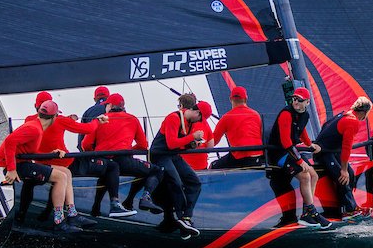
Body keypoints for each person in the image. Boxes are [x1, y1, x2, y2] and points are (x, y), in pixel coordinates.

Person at [0, 100, 86, 232]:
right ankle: (59, 222)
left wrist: (52, 154)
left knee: (65, 173)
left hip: (22, 163)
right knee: (60, 177)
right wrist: (11, 169)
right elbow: (9, 141)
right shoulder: (34, 129)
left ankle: (71, 215)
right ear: (54, 117)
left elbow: (29, 152)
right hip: (18, 166)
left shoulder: (36, 126)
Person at [88, 94, 176, 225]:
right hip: (124, 161)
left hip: (102, 162)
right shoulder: (132, 119)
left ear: (110, 106)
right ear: (123, 106)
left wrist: (97, 152)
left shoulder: (99, 120)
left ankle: (96, 208)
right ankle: (143, 198)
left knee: (107, 173)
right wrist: (127, 149)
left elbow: (86, 144)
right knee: (156, 170)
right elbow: (143, 145)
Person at [265, 87, 330, 229]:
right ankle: (312, 212)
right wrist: (300, 161)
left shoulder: (305, 115)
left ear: (307, 102)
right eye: (294, 99)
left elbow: (302, 131)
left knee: (314, 175)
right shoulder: (286, 114)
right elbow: (285, 142)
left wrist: (310, 144)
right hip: (278, 153)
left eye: (299, 100)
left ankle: (307, 212)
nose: (295, 102)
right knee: (305, 176)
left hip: (290, 151)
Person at [147, 93, 205, 238]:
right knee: (175, 182)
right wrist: (192, 137)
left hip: (172, 155)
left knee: (194, 181)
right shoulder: (173, 118)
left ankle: (186, 217)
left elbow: (179, 144)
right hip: (160, 154)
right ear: (197, 112)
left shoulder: (188, 122)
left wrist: (192, 144)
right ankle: (180, 218)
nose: (199, 122)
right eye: (200, 118)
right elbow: (172, 143)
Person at [313, 96, 372, 218]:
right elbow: (346, 148)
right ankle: (349, 210)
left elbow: (326, 125)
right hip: (324, 153)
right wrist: (343, 170)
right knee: (343, 176)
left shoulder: (345, 114)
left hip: (331, 150)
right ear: (365, 112)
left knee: (350, 174)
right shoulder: (353, 121)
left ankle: (348, 207)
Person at [210, 86, 266, 169]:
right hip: (257, 156)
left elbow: (213, 141)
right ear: (246, 99)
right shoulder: (256, 115)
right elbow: (261, 135)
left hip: (240, 157)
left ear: (230, 99)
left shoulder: (226, 117)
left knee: (213, 166)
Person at [78, 86, 111, 150]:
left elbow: (81, 140)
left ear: (94, 99)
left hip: (94, 152)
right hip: (115, 152)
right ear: (109, 98)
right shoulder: (117, 110)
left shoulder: (88, 112)